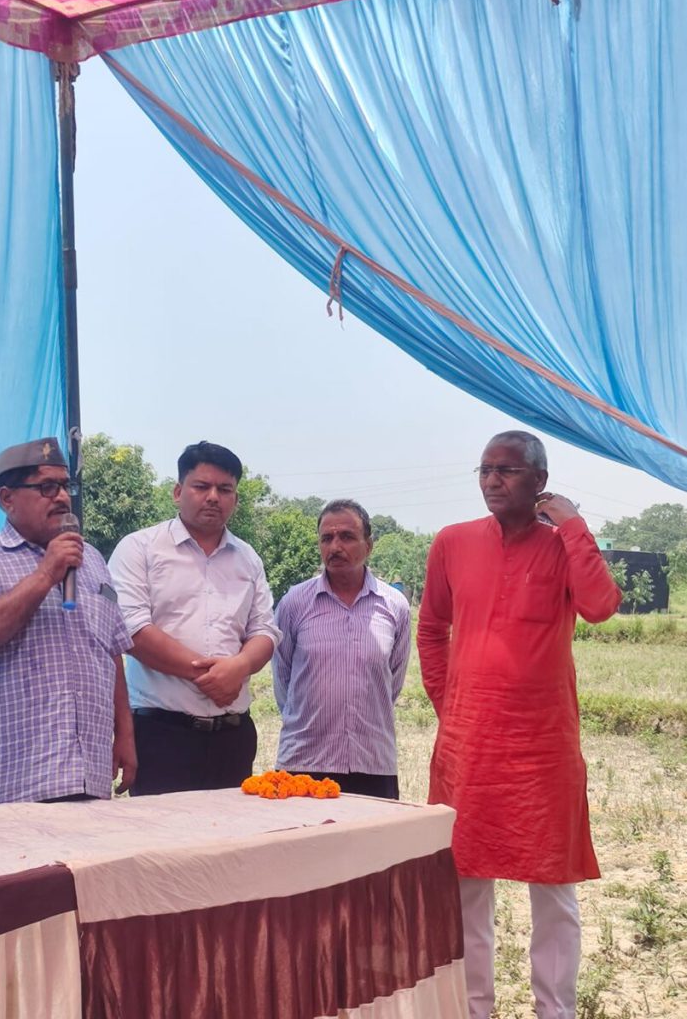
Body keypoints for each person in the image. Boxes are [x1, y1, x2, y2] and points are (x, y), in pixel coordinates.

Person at [417, 431, 621, 1019]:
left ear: (539, 481)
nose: (492, 480)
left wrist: (573, 525)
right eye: (484, 470)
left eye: (506, 470)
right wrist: (450, 704)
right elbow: (430, 628)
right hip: (469, 744)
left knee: (553, 887)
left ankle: (554, 1010)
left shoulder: (562, 546)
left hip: (543, 745)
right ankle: (472, 1009)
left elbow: (601, 606)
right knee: (464, 882)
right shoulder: (453, 542)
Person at [0, 437, 137, 813]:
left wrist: (125, 734)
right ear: (7, 498)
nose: (62, 497)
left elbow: (112, 650)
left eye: (65, 485)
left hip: (86, 774)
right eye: (47, 487)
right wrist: (47, 573)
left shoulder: (93, 560)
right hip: (7, 784)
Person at [108, 441, 280, 794]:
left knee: (233, 831)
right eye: (201, 486)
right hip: (161, 736)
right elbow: (131, 629)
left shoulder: (248, 559)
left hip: (233, 737)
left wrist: (240, 666)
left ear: (235, 499)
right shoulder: (139, 549)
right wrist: (211, 675)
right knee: (163, 832)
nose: (213, 497)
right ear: (178, 492)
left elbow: (265, 630)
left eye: (225, 489)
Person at [273, 499, 411, 799]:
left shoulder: (394, 606)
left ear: (368, 545)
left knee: (378, 833)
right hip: (304, 762)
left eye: (347, 537)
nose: (335, 547)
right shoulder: (295, 603)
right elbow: (283, 680)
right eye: (327, 538)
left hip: (372, 762)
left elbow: (391, 683)